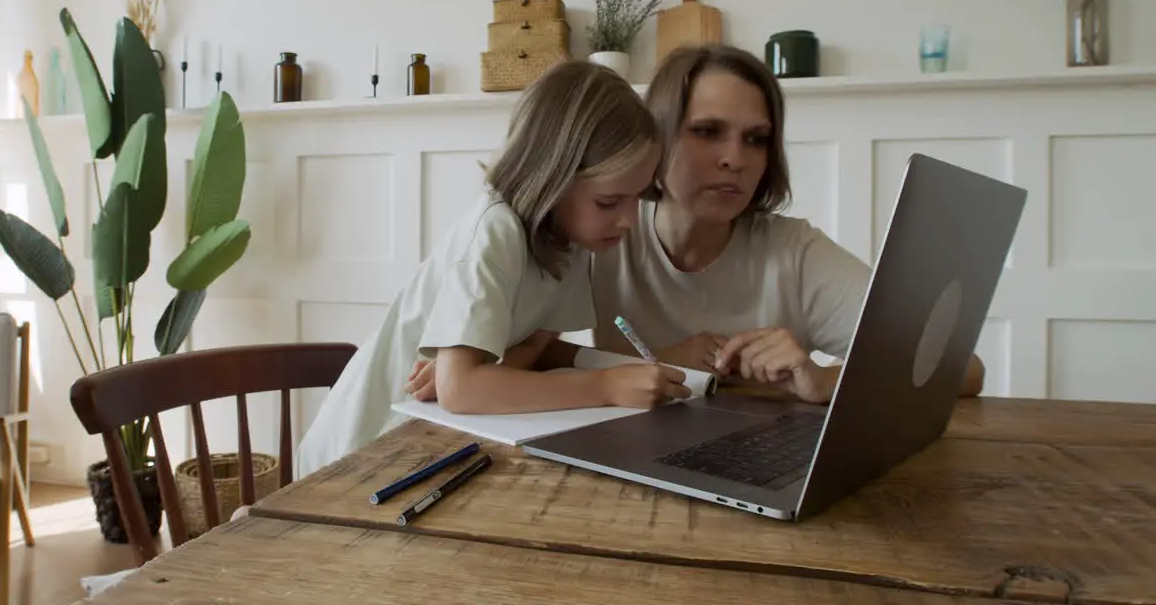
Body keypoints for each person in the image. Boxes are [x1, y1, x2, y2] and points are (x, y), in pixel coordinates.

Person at [296, 60, 688, 478]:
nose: (629, 220)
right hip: (356, 451)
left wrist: (480, 374)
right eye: (610, 202)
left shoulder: (571, 242)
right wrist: (606, 387)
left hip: (424, 439)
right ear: (552, 179)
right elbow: (460, 391)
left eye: (637, 198)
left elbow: (534, 346)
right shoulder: (495, 231)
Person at [579, 44, 986, 403]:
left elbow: (964, 368)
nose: (735, 159)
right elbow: (529, 361)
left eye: (756, 139)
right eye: (707, 131)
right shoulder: (602, 232)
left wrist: (825, 380)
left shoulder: (796, 253)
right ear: (658, 136)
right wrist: (660, 363)